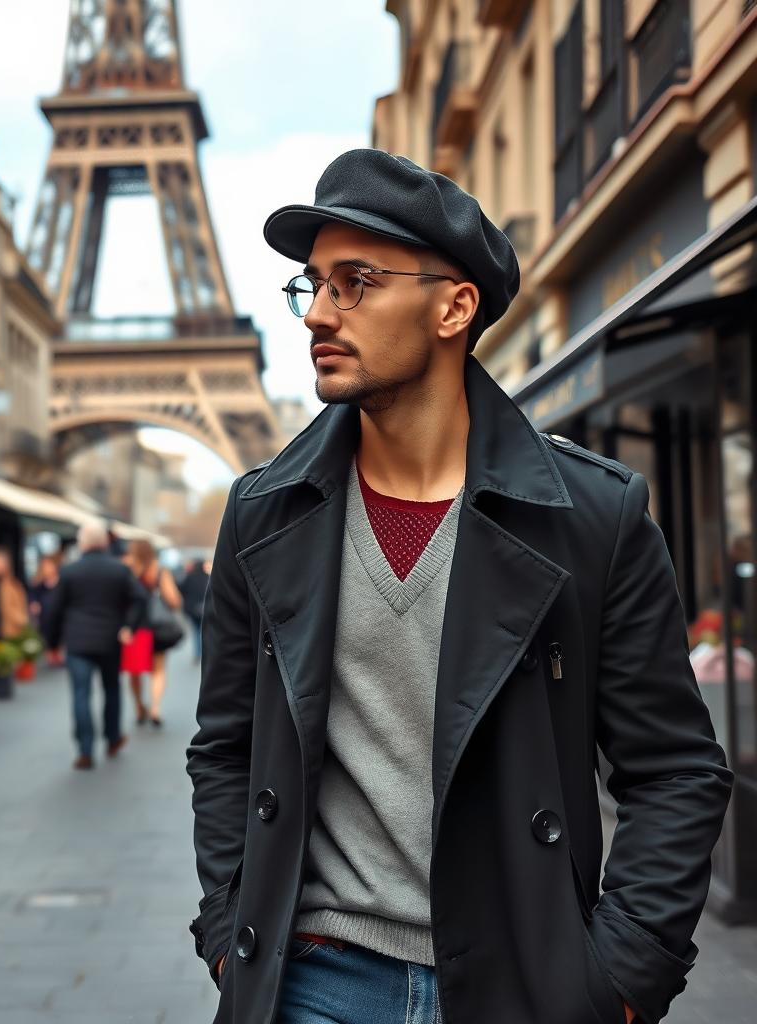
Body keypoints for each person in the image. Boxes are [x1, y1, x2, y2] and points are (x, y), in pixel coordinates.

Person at [186, 150, 733, 1024]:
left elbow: (674, 769)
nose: (319, 312)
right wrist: (228, 935)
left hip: (521, 983)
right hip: (312, 982)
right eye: (313, 285)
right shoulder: (263, 513)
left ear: (454, 306)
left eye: (355, 282)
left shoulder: (593, 514)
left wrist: (621, 982)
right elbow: (225, 746)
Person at [44, 522, 147, 770]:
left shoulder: (69, 572)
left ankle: (85, 750)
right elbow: (140, 599)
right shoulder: (119, 570)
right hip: (110, 640)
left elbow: (53, 610)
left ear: (83, 543)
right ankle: (112, 738)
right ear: (105, 542)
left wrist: (53, 643)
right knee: (111, 689)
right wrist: (129, 627)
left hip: (77, 642)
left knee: (81, 694)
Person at [123, 539, 182, 727]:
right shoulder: (159, 571)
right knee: (158, 670)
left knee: (135, 672)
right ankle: (155, 708)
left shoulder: (127, 569)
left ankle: (140, 706)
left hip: (135, 628)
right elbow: (173, 600)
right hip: (157, 628)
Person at [178, 559, 211, 663]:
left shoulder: (189, 577)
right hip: (205, 609)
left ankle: (197, 653)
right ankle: (203, 653)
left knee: (196, 631)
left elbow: (181, 589)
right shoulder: (207, 578)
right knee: (203, 631)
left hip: (192, 610)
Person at [28, 554, 60, 630]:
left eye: (49, 565)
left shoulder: (61, 584)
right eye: (44, 566)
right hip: (43, 623)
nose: (47, 569)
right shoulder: (37, 585)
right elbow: (32, 603)